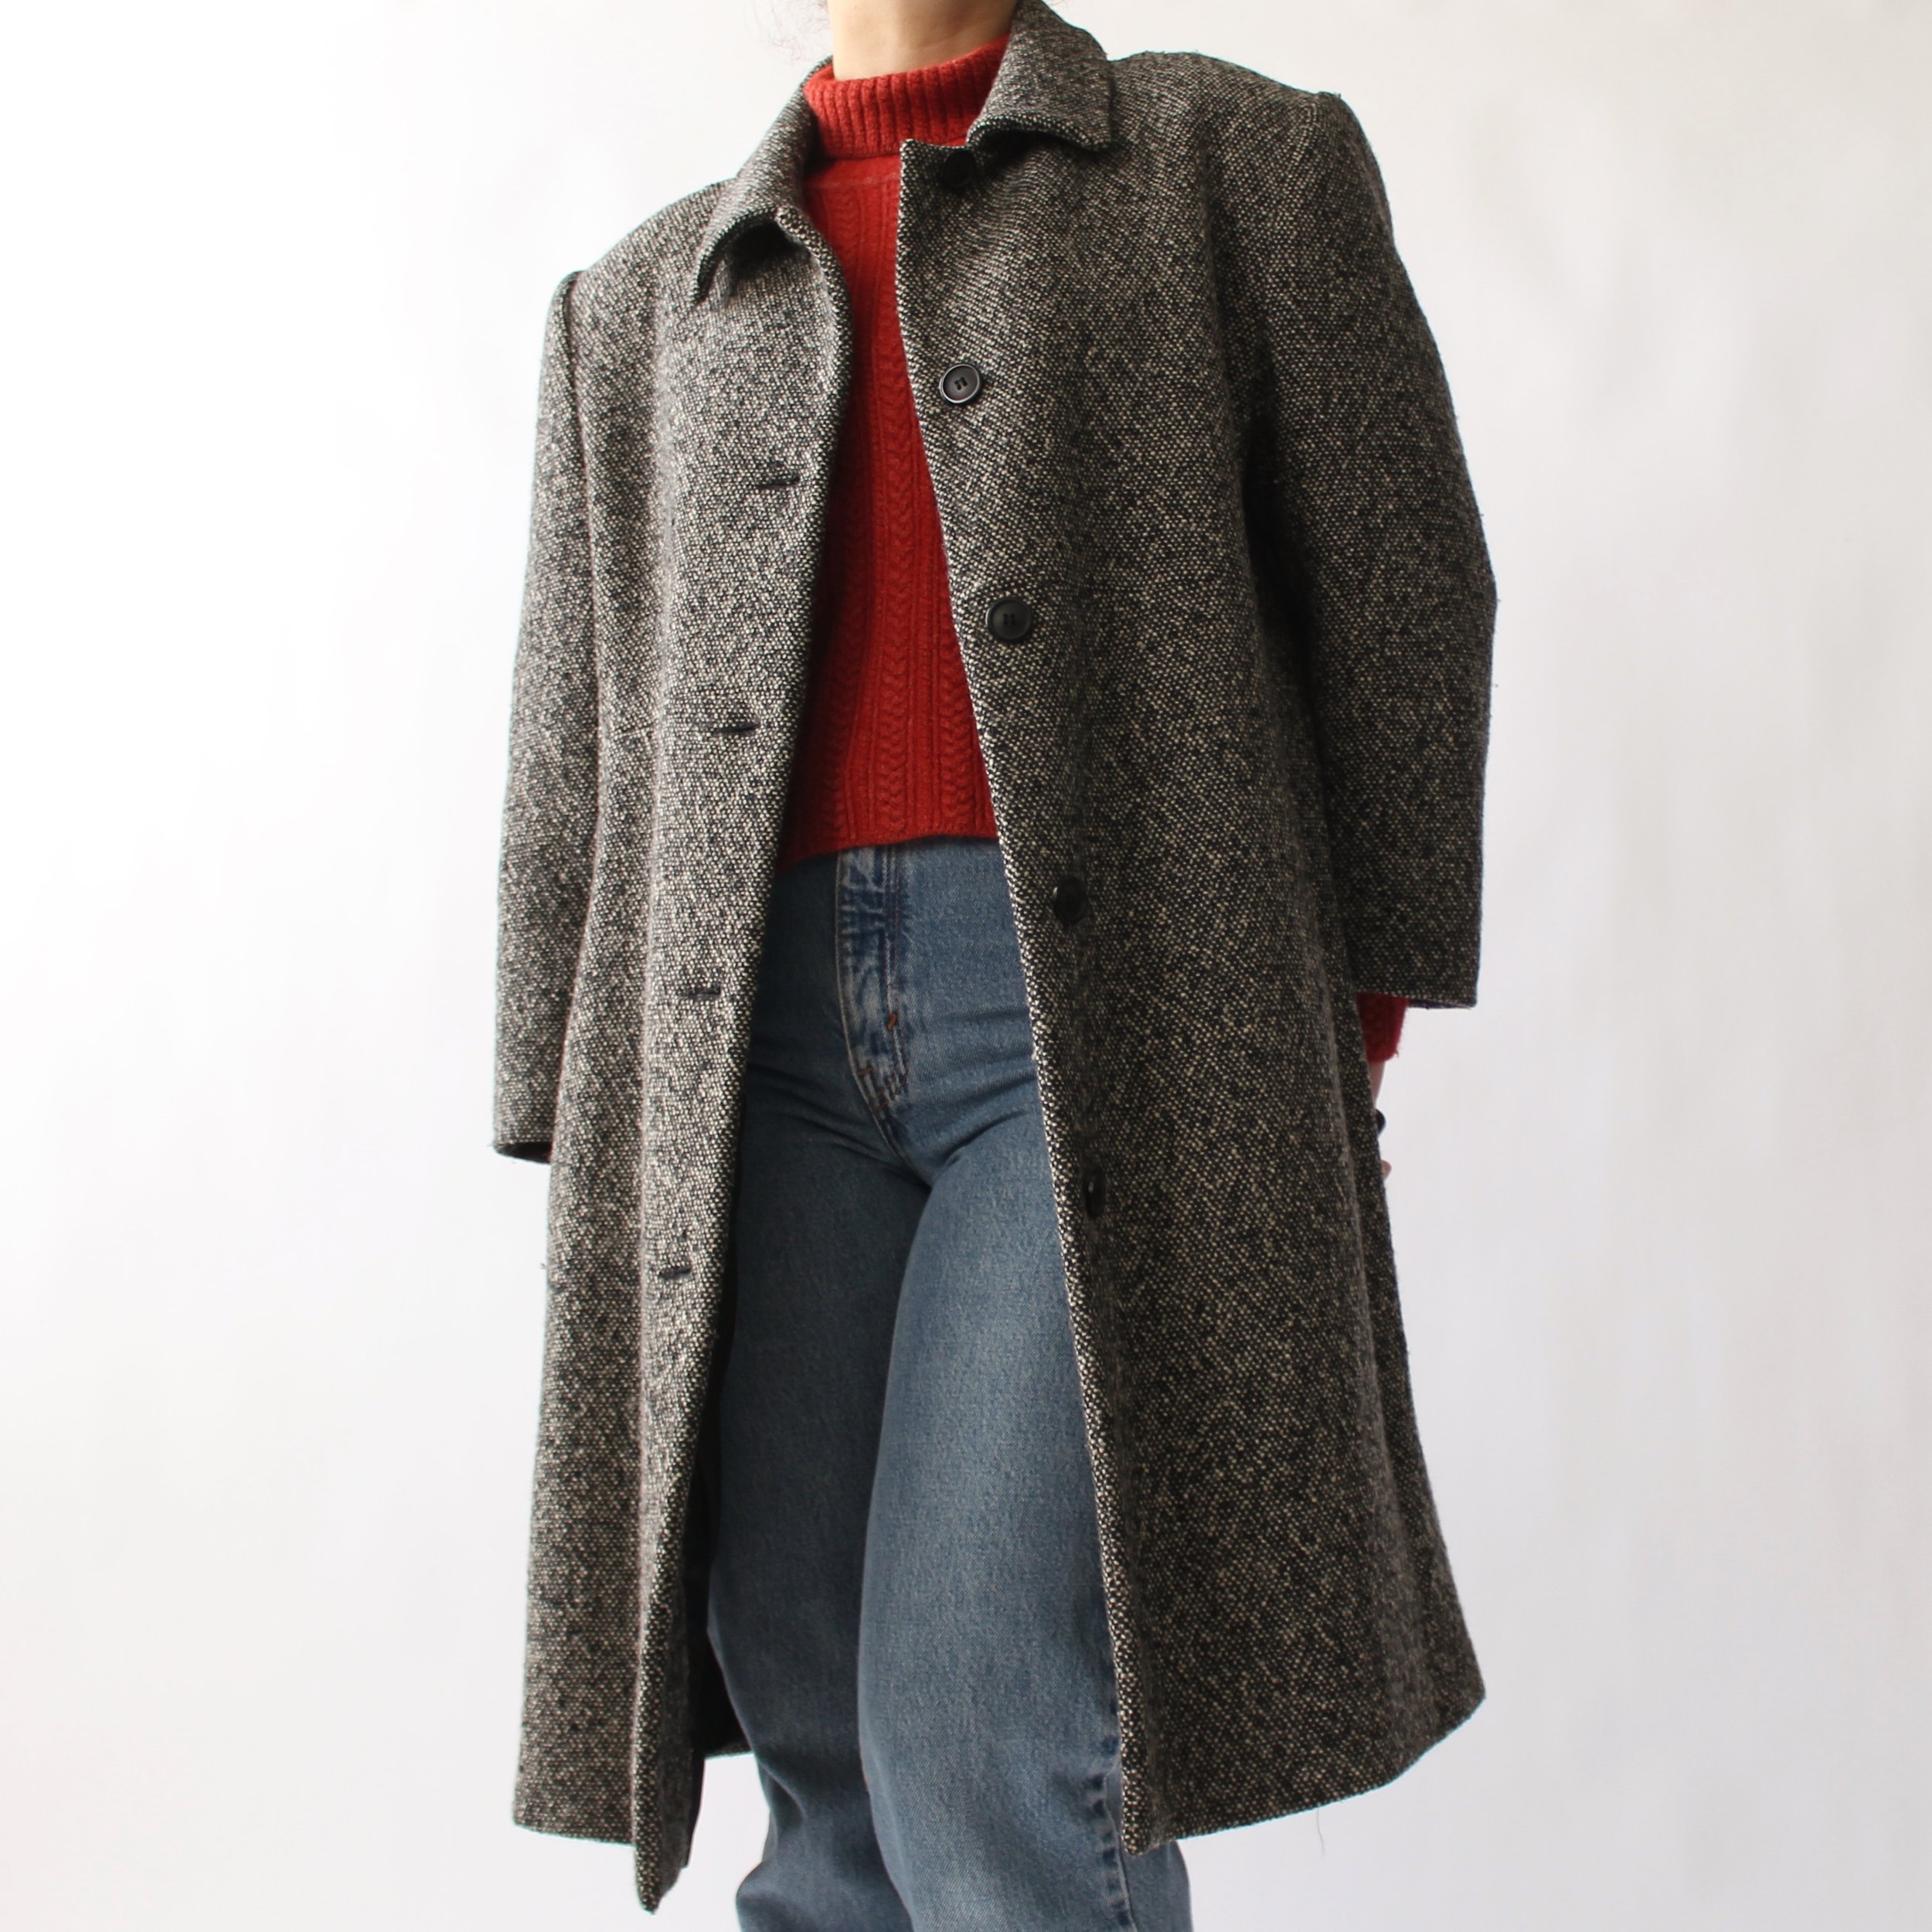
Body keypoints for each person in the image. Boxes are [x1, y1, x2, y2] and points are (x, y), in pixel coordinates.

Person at [492, 1, 1495, 1926]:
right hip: (745, 1079)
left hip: (1101, 1037)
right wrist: (573, 1099)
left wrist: (1339, 997)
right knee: (823, 1766)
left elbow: (1401, 583)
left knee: (984, 1731)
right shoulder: (634, 302)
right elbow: (571, 750)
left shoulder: (1228, 168)